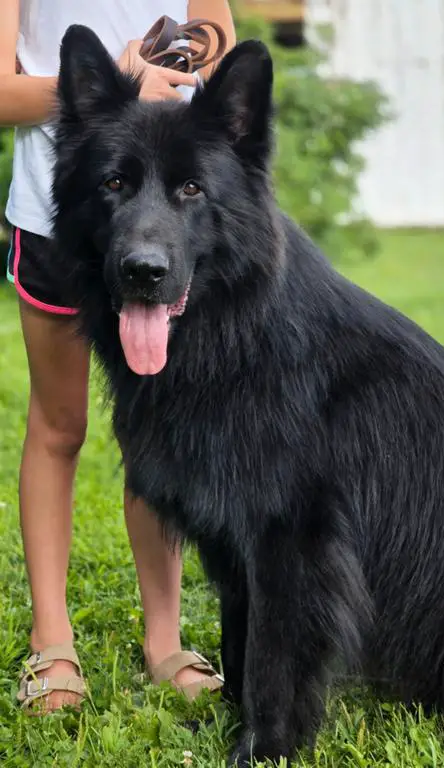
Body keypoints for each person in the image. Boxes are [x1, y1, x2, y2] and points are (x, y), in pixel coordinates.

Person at [0, 0, 235, 713]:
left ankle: (164, 640)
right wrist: (120, 80)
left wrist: (189, 60)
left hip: (167, 226)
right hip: (63, 219)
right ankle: (52, 638)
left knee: (153, 433)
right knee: (59, 425)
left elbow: (222, 46)